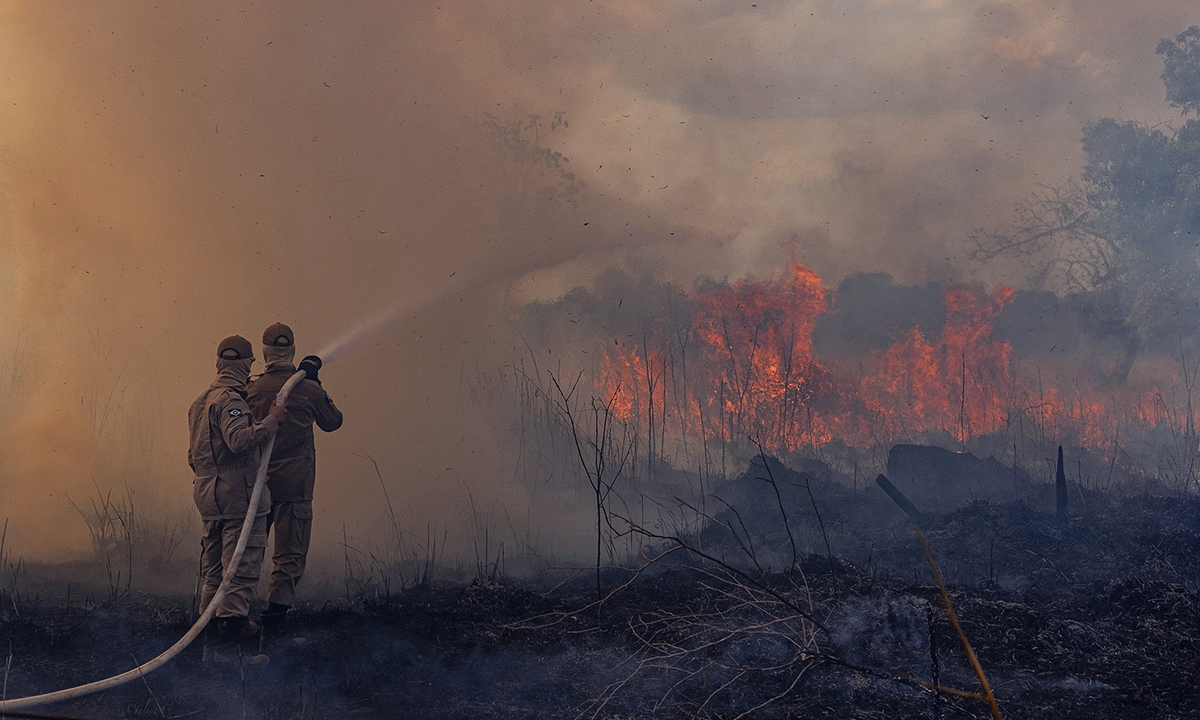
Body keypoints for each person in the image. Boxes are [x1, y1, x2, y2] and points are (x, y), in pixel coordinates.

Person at [188, 335, 286, 644]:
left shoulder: (200, 401)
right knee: (239, 573)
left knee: (214, 574)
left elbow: (194, 457)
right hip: (239, 500)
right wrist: (271, 421)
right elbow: (239, 440)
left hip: (209, 499)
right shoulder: (230, 400)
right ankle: (231, 661)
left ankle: (208, 651)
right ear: (245, 365)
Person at [247, 322, 343, 632]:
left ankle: (234, 615)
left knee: (247, 549)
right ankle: (274, 623)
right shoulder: (308, 389)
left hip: (257, 487)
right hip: (295, 485)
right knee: (289, 553)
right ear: (293, 351)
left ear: (264, 353)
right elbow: (333, 422)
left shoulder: (250, 389)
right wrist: (315, 383)